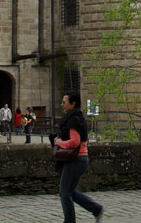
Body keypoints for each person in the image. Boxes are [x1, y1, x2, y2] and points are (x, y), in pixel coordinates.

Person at [53, 91, 104, 222]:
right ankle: (96, 209)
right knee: (70, 191)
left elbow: (75, 142)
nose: (62, 105)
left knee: (64, 193)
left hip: (76, 159)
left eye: (64, 102)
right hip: (80, 159)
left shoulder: (74, 120)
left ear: (73, 104)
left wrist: (60, 143)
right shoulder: (77, 118)